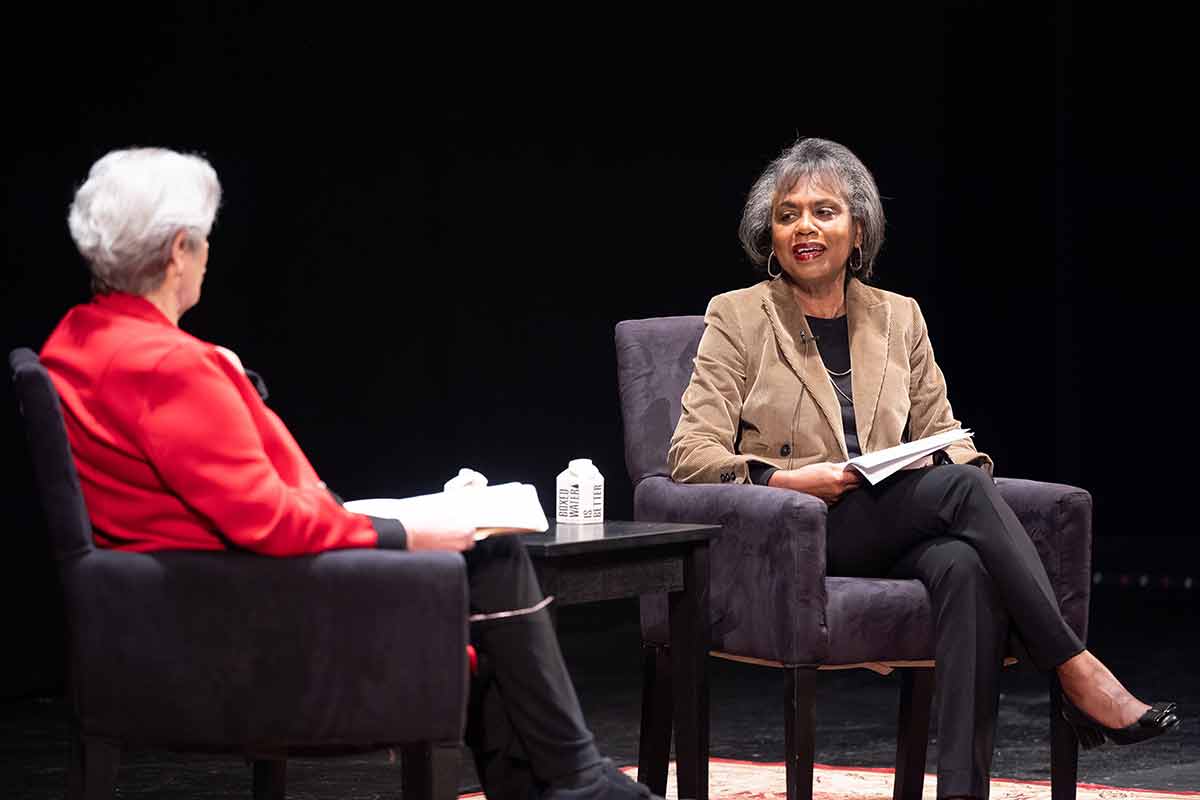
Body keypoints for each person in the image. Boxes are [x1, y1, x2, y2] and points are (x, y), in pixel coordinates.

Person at [40, 147, 655, 800]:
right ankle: (577, 778)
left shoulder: (78, 338)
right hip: (247, 619)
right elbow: (269, 521)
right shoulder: (165, 364)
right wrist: (402, 535)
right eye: (205, 243)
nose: (207, 258)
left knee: (473, 556)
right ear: (178, 251)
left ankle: (567, 780)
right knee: (491, 553)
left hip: (191, 599)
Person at [668, 137, 1179, 799]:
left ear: (859, 230)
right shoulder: (737, 316)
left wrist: (935, 458)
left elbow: (953, 440)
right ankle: (1075, 669)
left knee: (965, 564)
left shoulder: (899, 317)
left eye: (824, 212)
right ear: (770, 231)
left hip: (888, 520)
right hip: (798, 531)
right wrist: (785, 480)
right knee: (963, 491)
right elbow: (690, 454)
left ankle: (962, 791)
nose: (804, 228)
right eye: (789, 214)